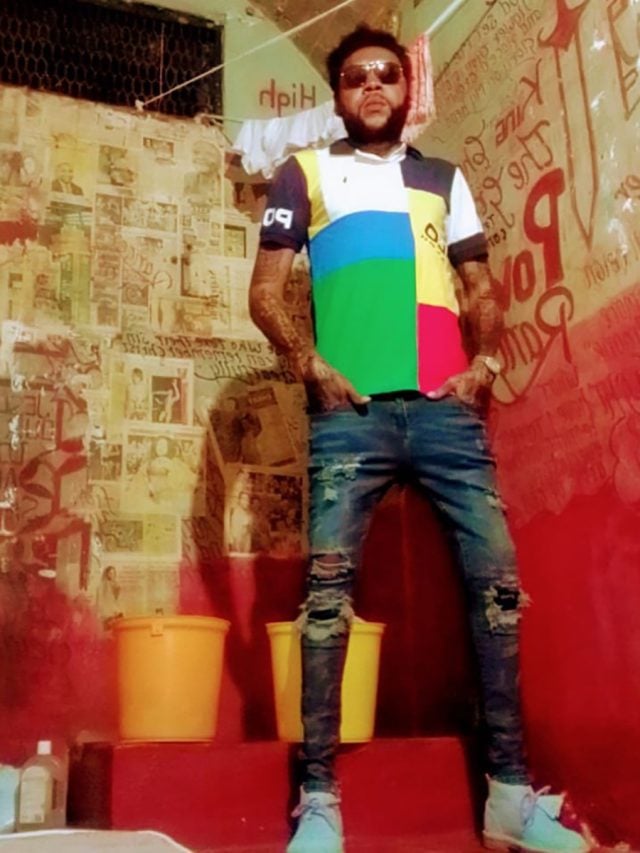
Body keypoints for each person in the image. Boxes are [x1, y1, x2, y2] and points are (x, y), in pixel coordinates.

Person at [248, 25, 593, 853]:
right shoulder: (303, 173)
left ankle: (509, 798)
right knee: (325, 600)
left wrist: (485, 363)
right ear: (337, 95)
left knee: (497, 591)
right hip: (350, 415)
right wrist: (310, 365)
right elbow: (263, 292)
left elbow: (480, 287)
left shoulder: (445, 179)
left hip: (447, 414)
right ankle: (319, 804)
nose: (372, 86)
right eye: (355, 77)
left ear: (407, 90)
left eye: (387, 75)